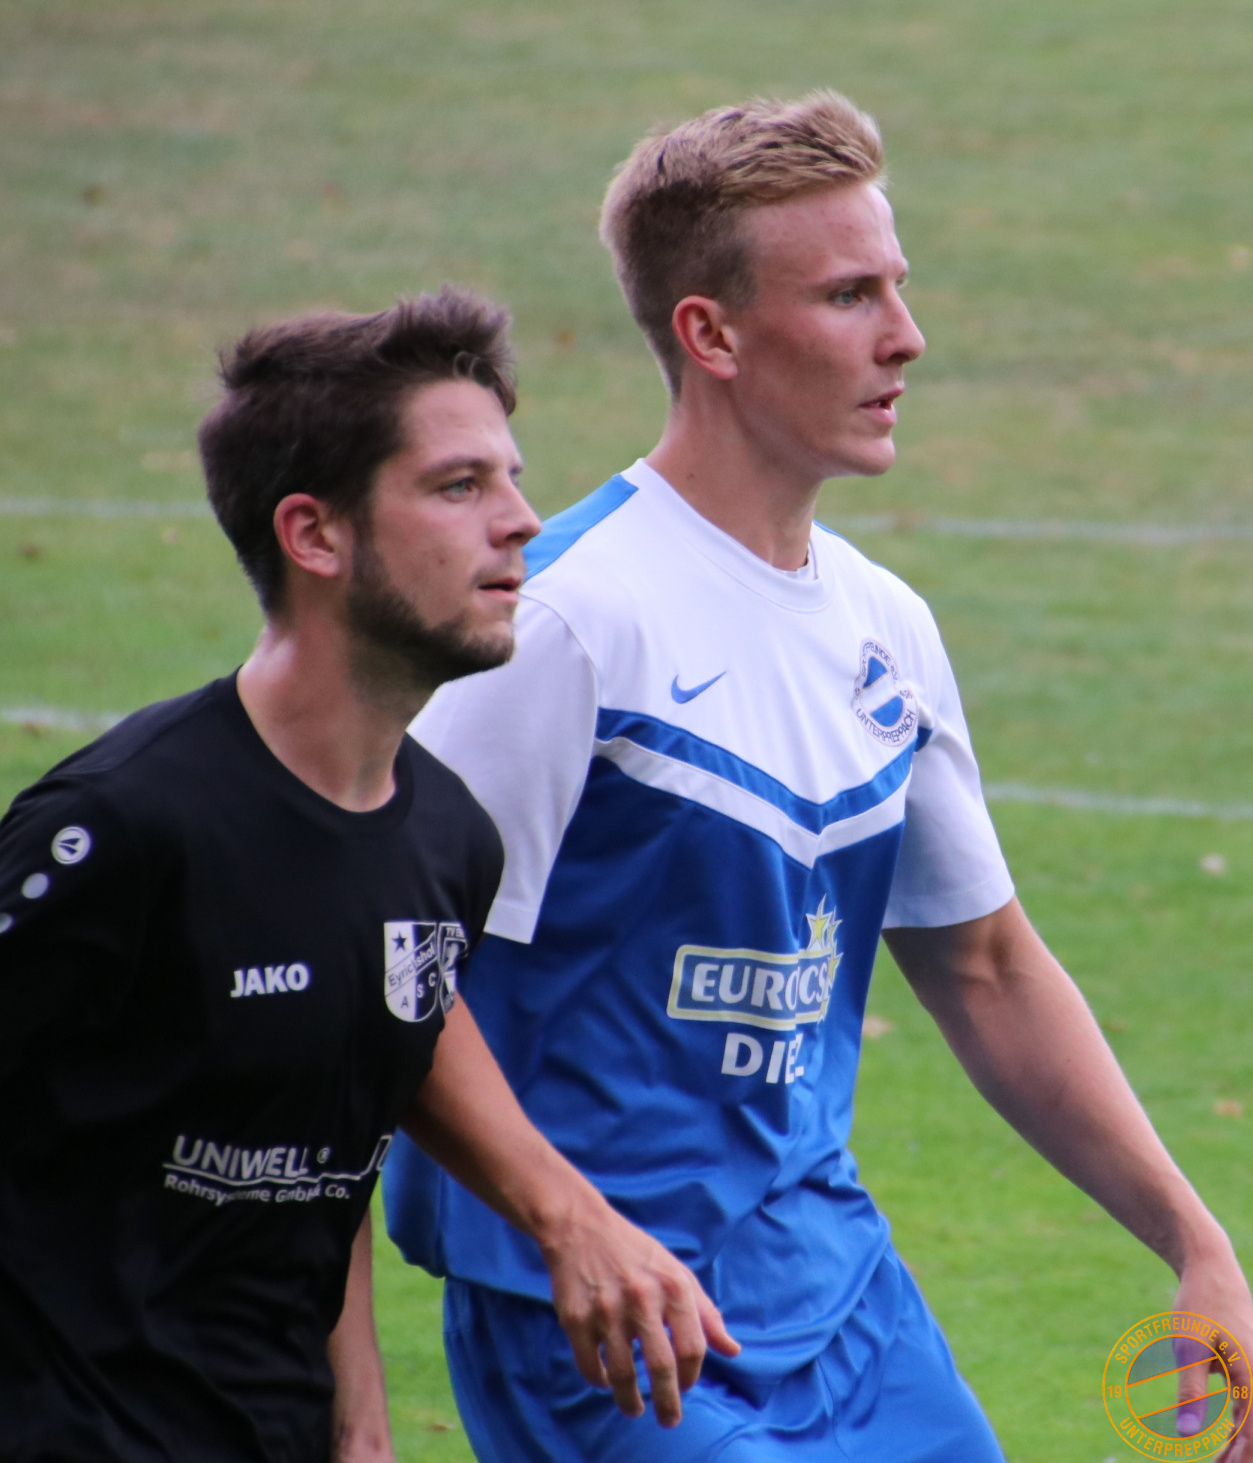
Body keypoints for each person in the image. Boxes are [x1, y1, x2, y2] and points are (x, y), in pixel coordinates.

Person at [380, 97, 1253, 1460]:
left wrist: (1199, 1244)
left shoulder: (883, 625)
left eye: (896, 287)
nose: (906, 336)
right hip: (605, 1327)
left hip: (835, 1292)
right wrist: (566, 1221)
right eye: (850, 296)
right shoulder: (563, 623)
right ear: (712, 335)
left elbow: (985, 964)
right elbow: (388, 967)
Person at [0, 288, 735, 1463]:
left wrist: (361, 1422)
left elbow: (332, 1131)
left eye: (510, 479)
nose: (520, 520)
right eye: (458, 485)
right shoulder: (128, 822)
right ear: (314, 535)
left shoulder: (449, 840)